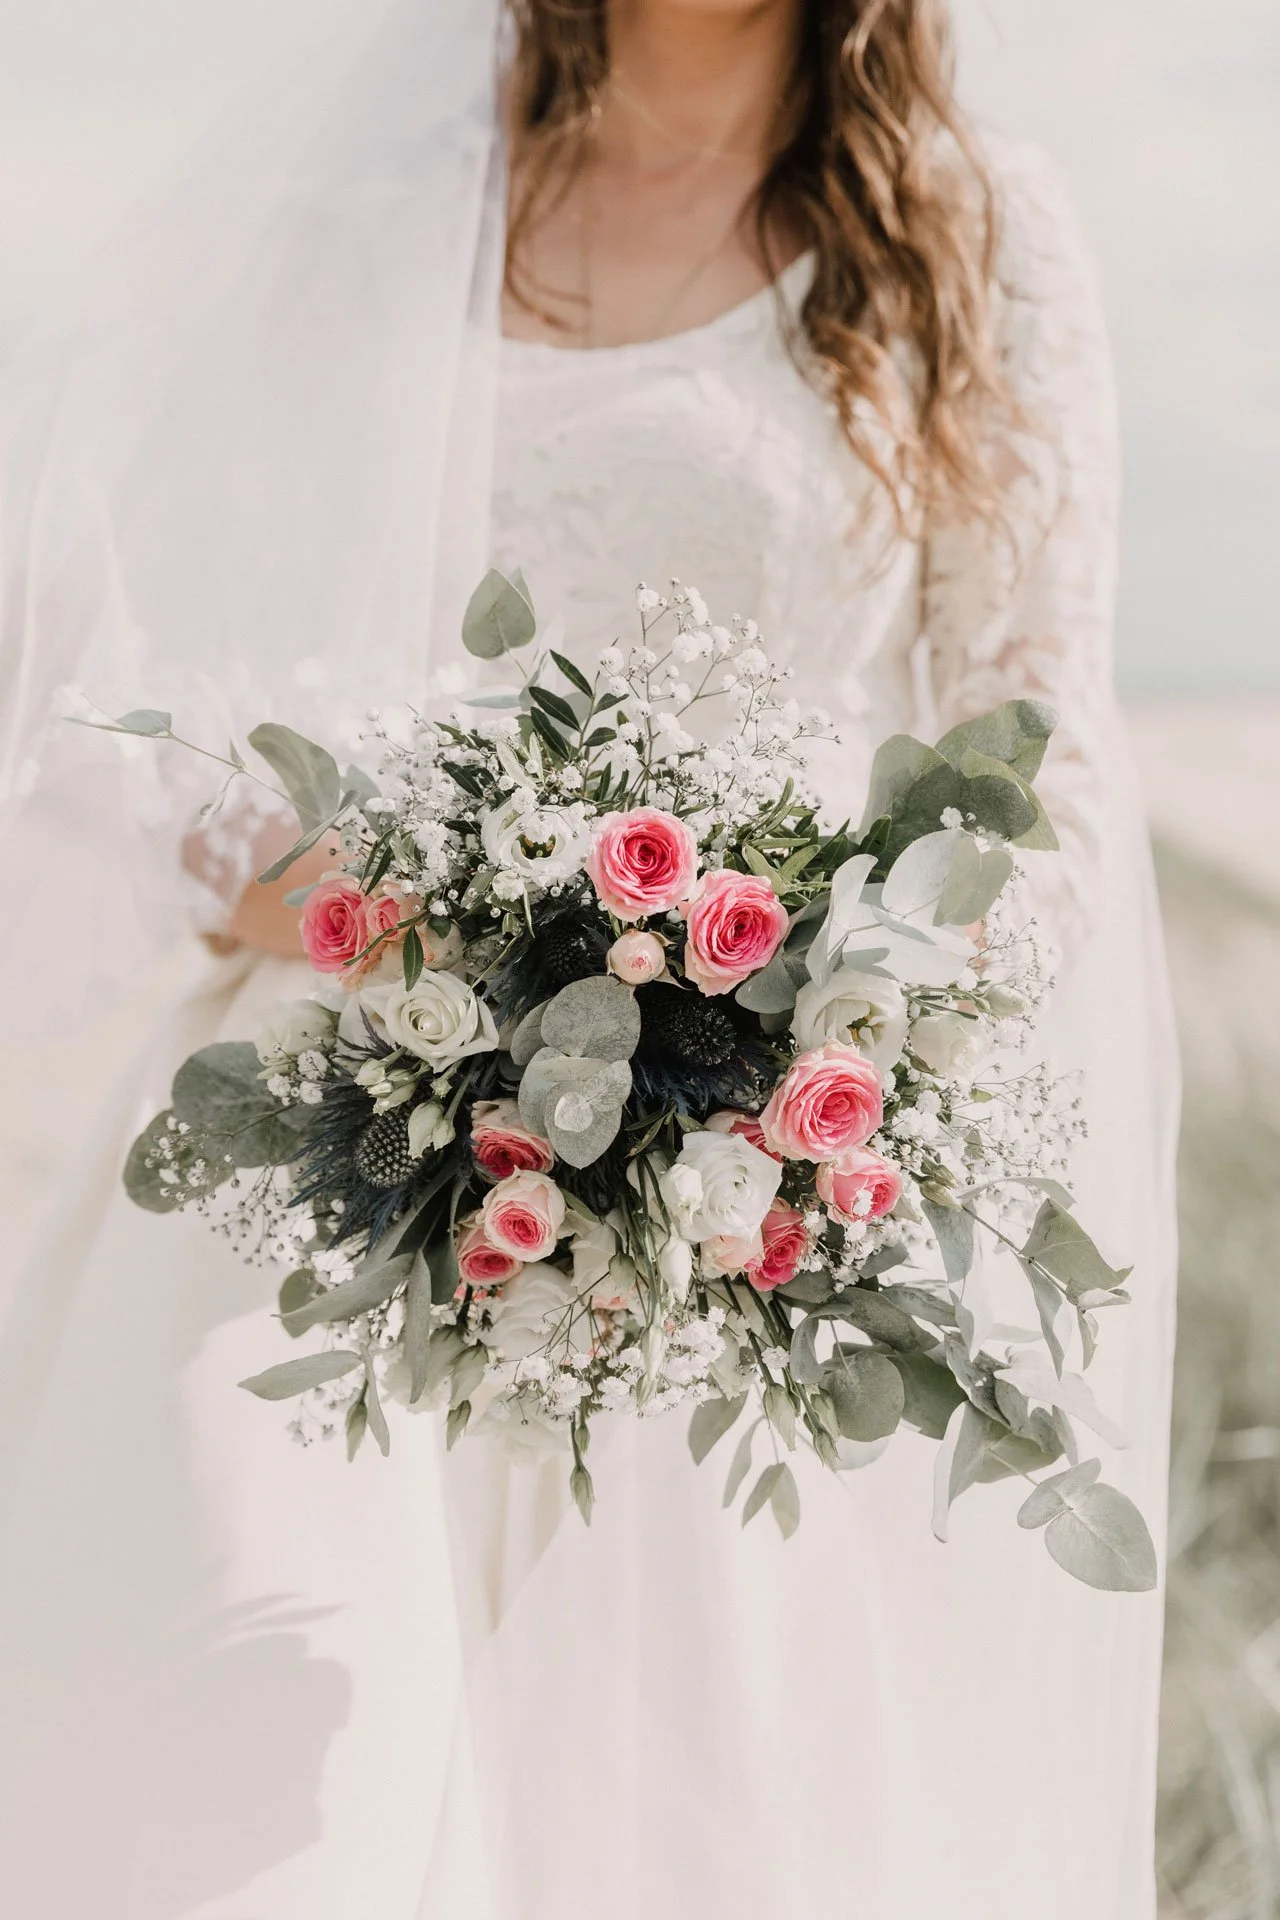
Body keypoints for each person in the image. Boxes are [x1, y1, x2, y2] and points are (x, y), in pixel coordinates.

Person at [0, 2, 1178, 1915]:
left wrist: (833, 1064)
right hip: (332, 1089)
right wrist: (381, 899)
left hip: (738, 1180)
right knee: (254, 1742)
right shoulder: (375, 213)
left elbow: (1028, 757)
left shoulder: (970, 236)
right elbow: (135, 689)